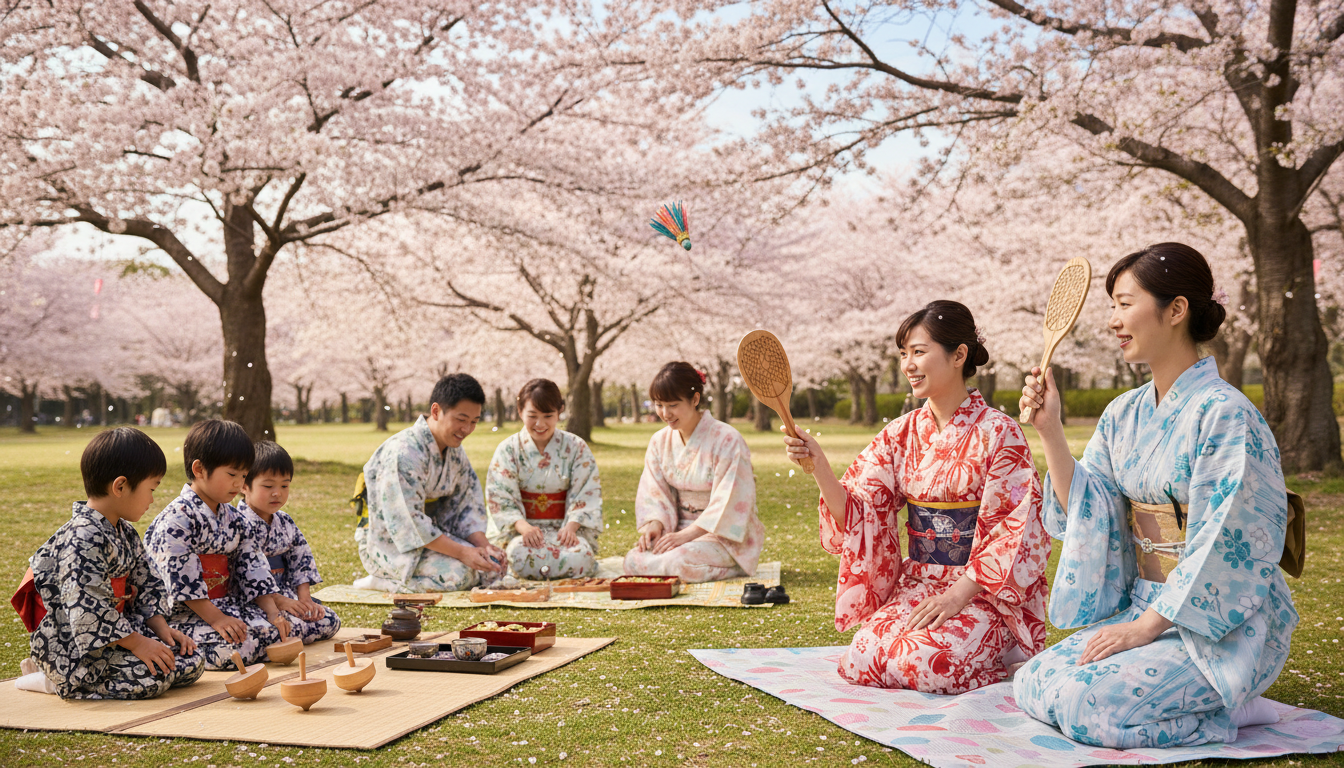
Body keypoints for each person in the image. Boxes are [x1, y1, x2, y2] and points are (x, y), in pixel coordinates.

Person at [1013, 243, 1298, 748]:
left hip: (1216, 624)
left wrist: (1145, 629)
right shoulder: (1124, 412)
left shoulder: (1225, 414)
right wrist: (1050, 431)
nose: (1113, 321)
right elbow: (1093, 505)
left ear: (1176, 310)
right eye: (1112, 306)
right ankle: (1212, 698)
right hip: (1145, 604)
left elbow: (1225, 537)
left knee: (1084, 705)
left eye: (1125, 304)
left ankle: (1236, 707)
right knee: (1034, 682)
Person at [784, 301, 1049, 694]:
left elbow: (1016, 527)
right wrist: (819, 465)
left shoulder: (1000, 432)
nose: (908, 364)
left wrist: (957, 596)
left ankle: (1001, 653)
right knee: (864, 658)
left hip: (981, 593)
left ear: (959, 355)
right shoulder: (901, 432)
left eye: (919, 352)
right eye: (903, 354)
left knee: (925, 663)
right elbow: (861, 511)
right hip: (920, 582)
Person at [16, 428, 205, 698]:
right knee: (150, 679)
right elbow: (86, 608)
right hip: (76, 647)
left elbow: (147, 583)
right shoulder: (81, 536)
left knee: (190, 661)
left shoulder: (125, 531)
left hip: (120, 633)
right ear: (120, 486)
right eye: (150, 489)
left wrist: (162, 631)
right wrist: (138, 643)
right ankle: (52, 679)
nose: (152, 499)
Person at [145, 419, 290, 670]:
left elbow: (252, 564)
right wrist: (218, 619)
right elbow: (180, 581)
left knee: (286, 629)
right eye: (232, 474)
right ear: (199, 469)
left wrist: (272, 612)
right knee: (240, 646)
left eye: (244, 475)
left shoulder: (233, 518)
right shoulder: (176, 519)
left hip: (228, 606)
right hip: (185, 615)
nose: (238, 483)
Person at [353, 373, 506, 592]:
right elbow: (408, 523)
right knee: (460, 575)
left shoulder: (454, 452)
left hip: (435, 538)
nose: (467, 429)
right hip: (392, 544)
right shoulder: (404, 453)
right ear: (436, 411)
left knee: (490, 566)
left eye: (473, 422)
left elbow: (466, 506)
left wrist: (484, 546)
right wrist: (463, 552)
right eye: (461, 420)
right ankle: (383, 581)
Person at [625, 362, 764, 582]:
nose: (665, 413)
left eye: (672, 405)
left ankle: (736, 567)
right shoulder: (659, 441)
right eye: (659, 405)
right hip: (678, 529)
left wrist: (687, 536)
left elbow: (731, 498)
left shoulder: (727, 439)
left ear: (695, 399)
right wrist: (656, 524)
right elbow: (655, 491)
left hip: (721, 536)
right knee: (633, 560)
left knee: (677, 562)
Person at [486, 379, 603, 579]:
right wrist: (524, 528)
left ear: (560, 411)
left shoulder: (576, 447)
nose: (540, 424)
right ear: (520, 411)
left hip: (565, 530)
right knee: (518, 556)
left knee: (581, 556)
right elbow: (500, 496)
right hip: (522, 532)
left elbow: (587, 491)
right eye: (532, 416)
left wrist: (572, 526)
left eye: (548, 416)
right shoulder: (508, 449)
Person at [238, 441, 342, 644]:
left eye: (284, 486)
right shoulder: (238, 523)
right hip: (255, 601)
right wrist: (278, 601)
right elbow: (243, 574)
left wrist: (304, 598)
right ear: (244, 485)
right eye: (268, 486)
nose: (277, 493)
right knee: (268, 631)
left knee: (328, 620)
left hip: (286, 594)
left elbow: (300, 558)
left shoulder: (284, 521)